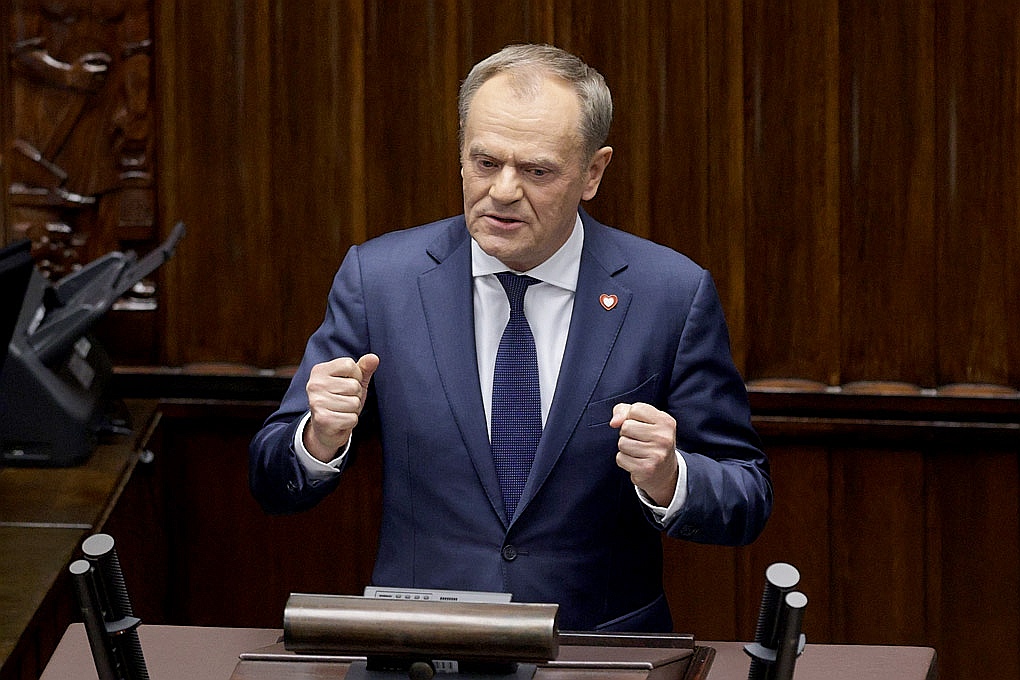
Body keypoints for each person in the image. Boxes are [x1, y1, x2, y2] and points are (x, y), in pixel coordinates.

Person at [250, 43, 771, 633]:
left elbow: (746, 495)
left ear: (593, 172)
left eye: (537, 171)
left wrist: (670, 477)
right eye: (485, 162)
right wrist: (318, 439)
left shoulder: (669, 294)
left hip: (597, 652)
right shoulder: (380, 281)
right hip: (425, 648)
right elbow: (271, 480)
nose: (502, 190)